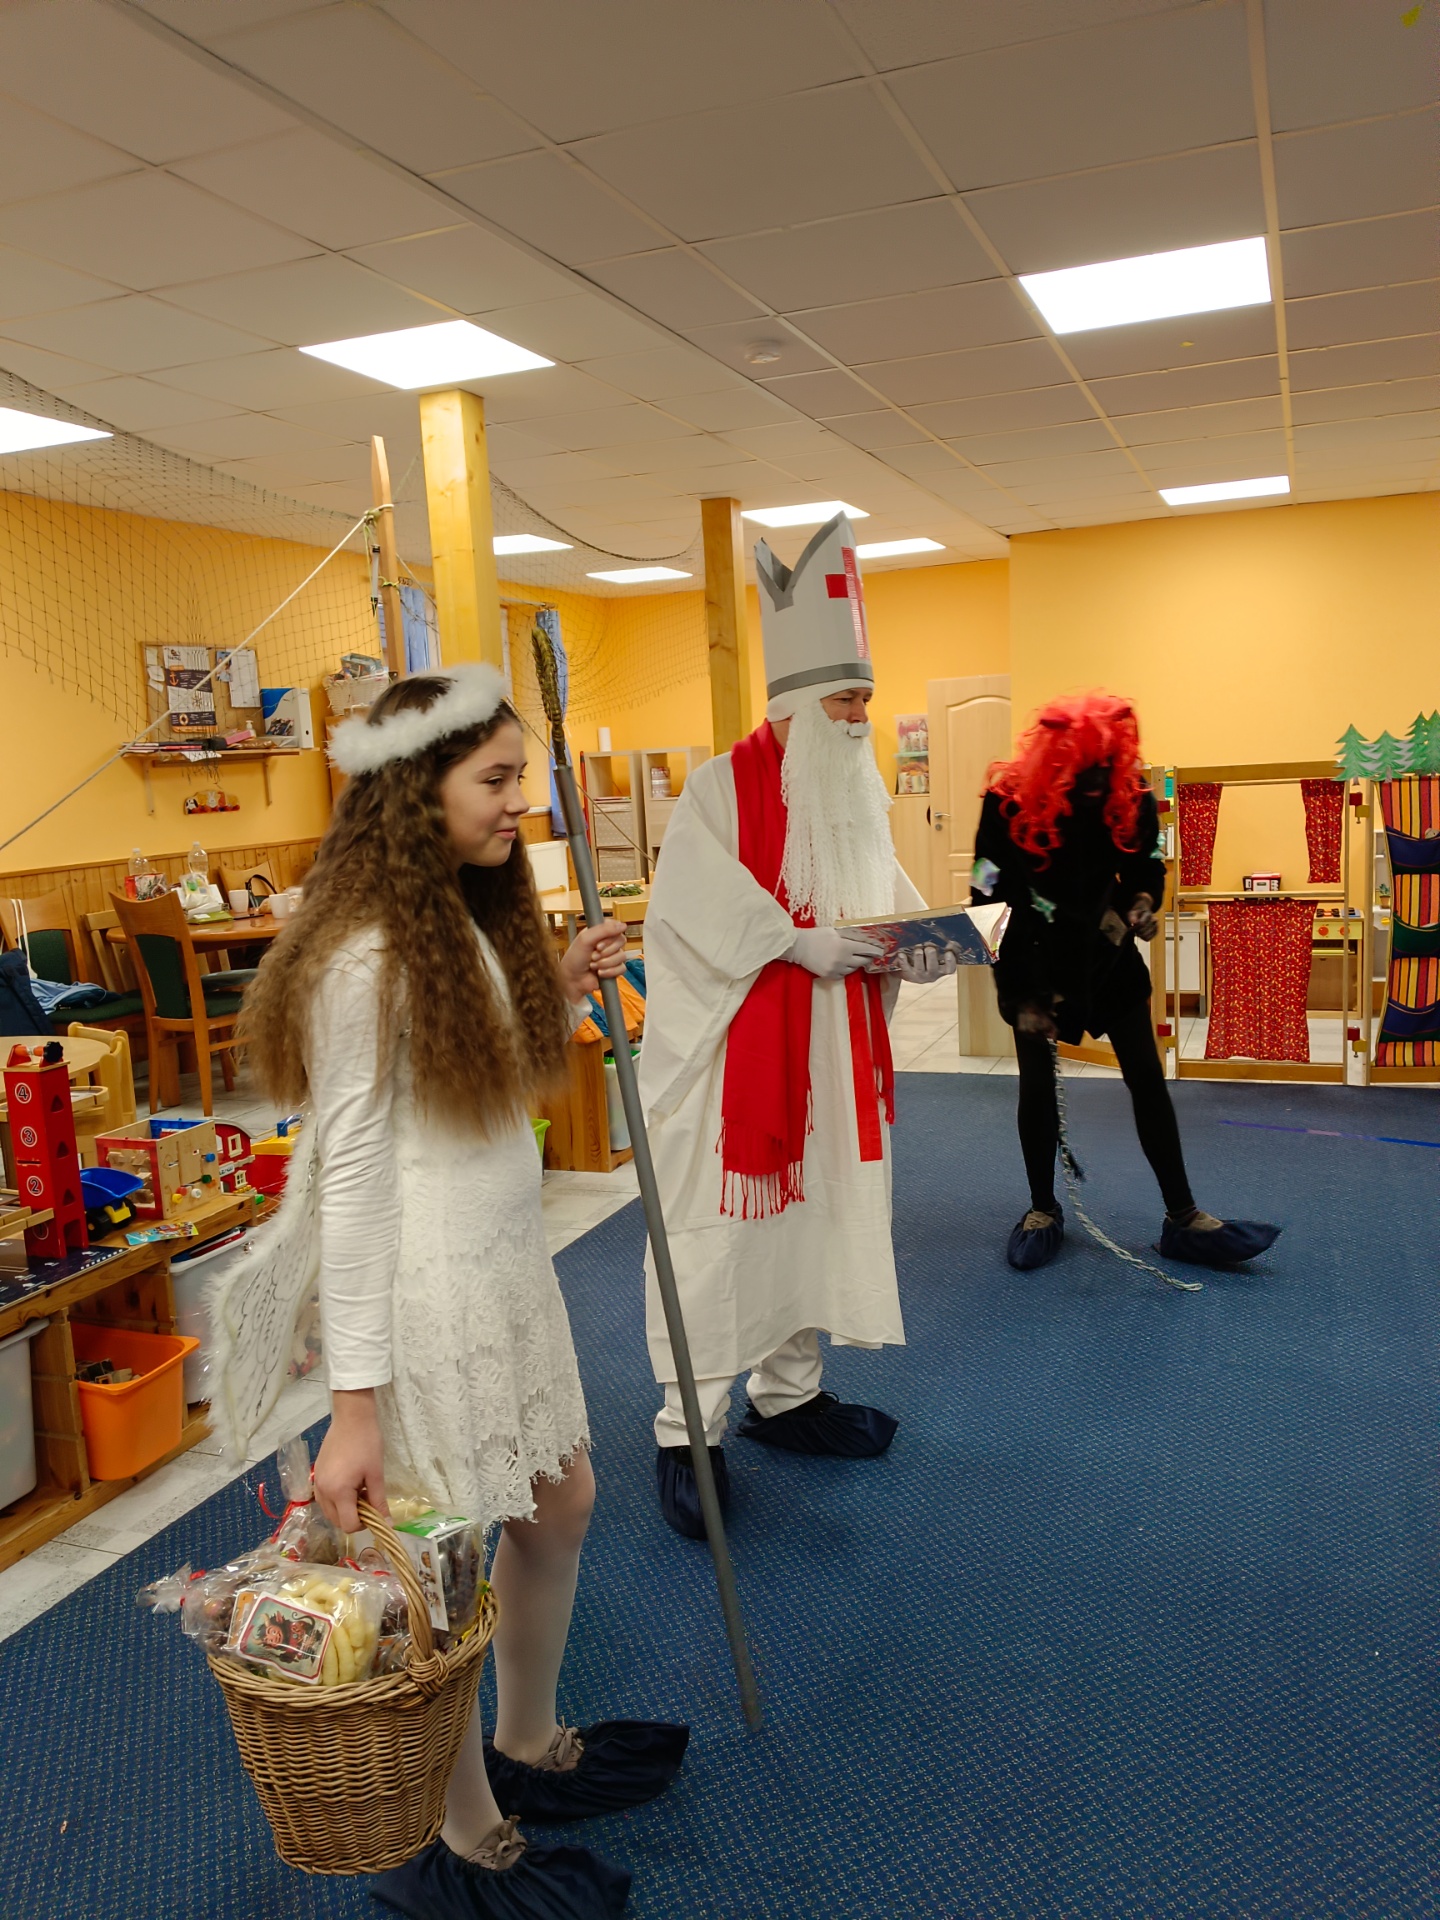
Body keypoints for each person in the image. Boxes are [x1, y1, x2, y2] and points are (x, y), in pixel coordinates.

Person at [237, 665, 683, 1920]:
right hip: (427, 1299)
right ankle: (465, 1825)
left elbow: (481, 1083)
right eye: (494, 780)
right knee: (444, 1575)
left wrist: (561, 980)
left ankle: (526, 1738)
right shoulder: (363, 958)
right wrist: (356, 1407)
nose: (519, 803)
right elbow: (354, 1180)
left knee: (559, 1503)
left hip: (504, 1277)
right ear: (412, 789)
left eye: (519, 777)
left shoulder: (459, 918)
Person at [639, 512, 955, 1539]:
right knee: (720, 1246)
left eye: (865, 696)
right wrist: (789, 941)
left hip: (835, 1059)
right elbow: (687, 912)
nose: (863, 717)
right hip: (739, 1074)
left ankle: (789, 1396)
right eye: (845, 700)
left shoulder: (851, 791)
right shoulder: (718, 790)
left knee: (812, 1225)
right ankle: (688, 1431)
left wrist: (917, 946)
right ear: (795, 705)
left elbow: (883, 899)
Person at [971, 691, 1280, 1272]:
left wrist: (1141, 902)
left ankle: (1183, 1217)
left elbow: (1147, 866)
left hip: (1108, 959)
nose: (1097, 782)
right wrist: (1017, 991)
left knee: (1147, 1078)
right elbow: (985, 889)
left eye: (1106, 769)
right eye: (1084, 771)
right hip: (1034, 963)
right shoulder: (1005, 802)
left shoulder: (1130, 795)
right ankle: (1042, 1209)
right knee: (1036, 1085)